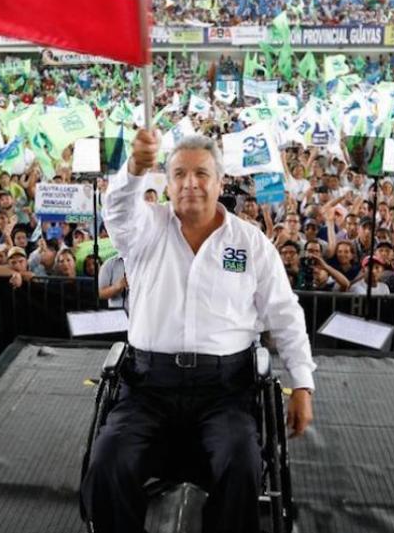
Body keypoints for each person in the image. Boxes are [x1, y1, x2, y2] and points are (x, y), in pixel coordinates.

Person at [82, 130, 315, 533]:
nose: (190, 182)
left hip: (225, 391)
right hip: (147, 389)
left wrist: (303, 385)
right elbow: (118, 208)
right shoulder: (144, 230)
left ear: (220, 182)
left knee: (241, 463)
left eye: (201, 173)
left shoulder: (250, 242)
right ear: (167, 183)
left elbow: (284, 314)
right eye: (179, 174)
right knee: (107, 462)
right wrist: (136, 166)